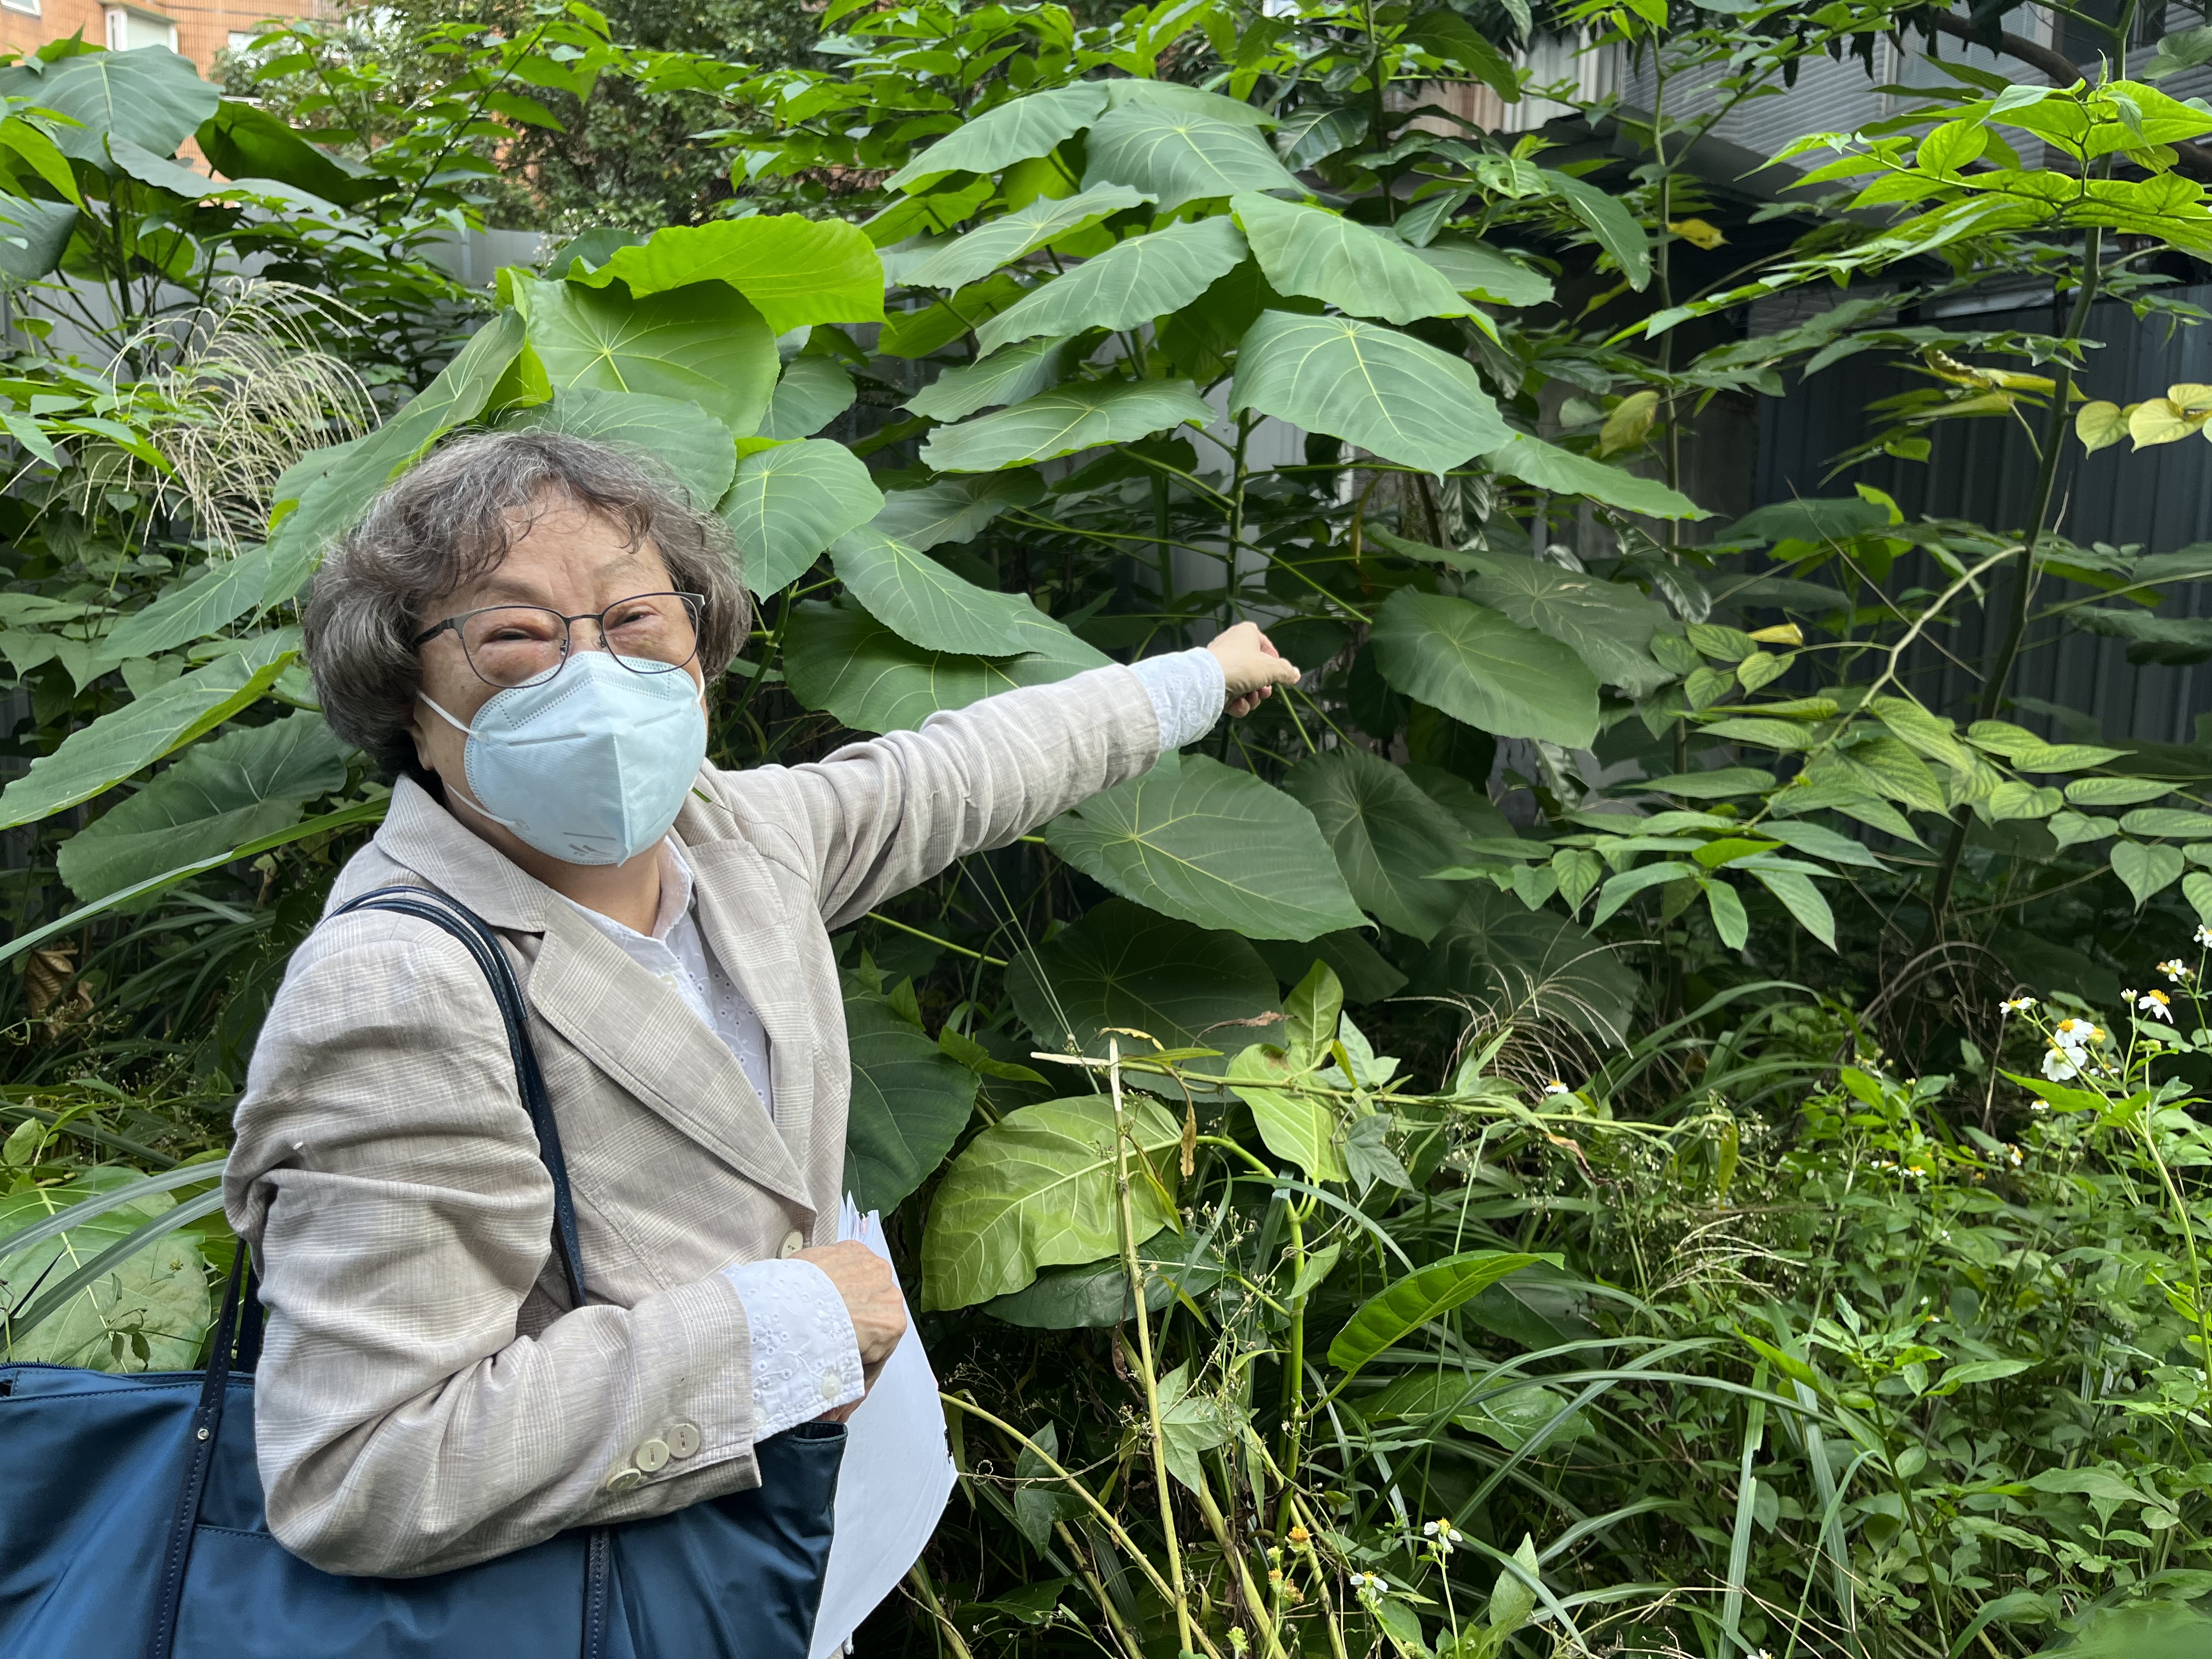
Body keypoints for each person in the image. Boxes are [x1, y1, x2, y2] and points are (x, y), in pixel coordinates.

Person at [221, 430, 1300, 1581]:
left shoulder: (734, 837)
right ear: (409, 702)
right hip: (615, 1596)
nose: (591, 673)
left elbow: (967, 768)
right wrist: (787, 1329)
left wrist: (1198, 677)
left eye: (635, 620)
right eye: (516, 635)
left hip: (809, 1540)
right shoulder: (396, 985)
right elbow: (364, 1470)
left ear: (699, 643)